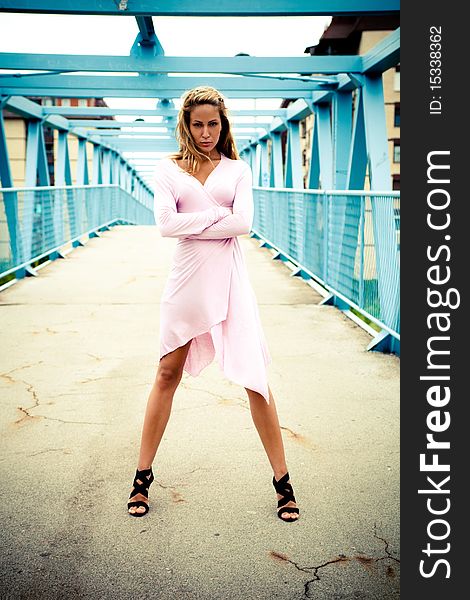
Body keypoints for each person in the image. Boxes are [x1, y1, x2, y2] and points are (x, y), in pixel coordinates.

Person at [127, 86, 300, 522]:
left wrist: (203, 222)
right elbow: (166, 226)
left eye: (213, 124)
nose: (206, 132)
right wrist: (216, 218)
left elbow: (244, 223)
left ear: (224, 125)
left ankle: (283, 481)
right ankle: (142, 477)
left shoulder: (237, 169)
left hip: (230, 280)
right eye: (198, 124)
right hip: (186, 278)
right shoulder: (167, 168)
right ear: (186, 124)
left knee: (255, 377)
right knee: (167, 372)